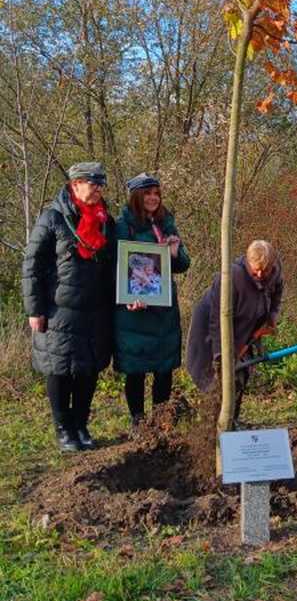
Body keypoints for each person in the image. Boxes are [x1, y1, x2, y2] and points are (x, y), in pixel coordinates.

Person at [22, 162, 116, 452]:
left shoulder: (106, 221)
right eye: (92, 182)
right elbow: (32, 265)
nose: (98, 188)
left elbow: (115, 264)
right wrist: (34, 309)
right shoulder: (52, 218)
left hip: (95, 310)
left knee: (88, 371)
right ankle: (64, 429)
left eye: (100, 183)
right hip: (57, 311)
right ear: (75, 185)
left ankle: (81, 424)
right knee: (60, 370)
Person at [114, 173, 190, 425]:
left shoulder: (167, 223)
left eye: (156, 193)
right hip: (134, 311)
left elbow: (183, 264)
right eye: (147, 193)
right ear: (137, 196)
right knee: (135, 369)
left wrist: (175, 253)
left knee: (164, 367)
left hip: (163, 310)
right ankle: (138, 421)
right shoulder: (123, 225)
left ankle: (160, 420)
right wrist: (128, 297)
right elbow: (116, 265)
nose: (153, 198)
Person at [186, 240, 283, 425]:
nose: (261, 275)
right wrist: (220, 356)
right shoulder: (231, 277)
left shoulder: (275, 273)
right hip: (211, 330)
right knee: (217, 379)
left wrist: (271, 317)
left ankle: (232, 420)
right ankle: (214, 424)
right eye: (256, 270)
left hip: (247, 328)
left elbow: (277, 296)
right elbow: (216, 320)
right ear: (247, 262)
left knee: (241, 374)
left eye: (266, 270)